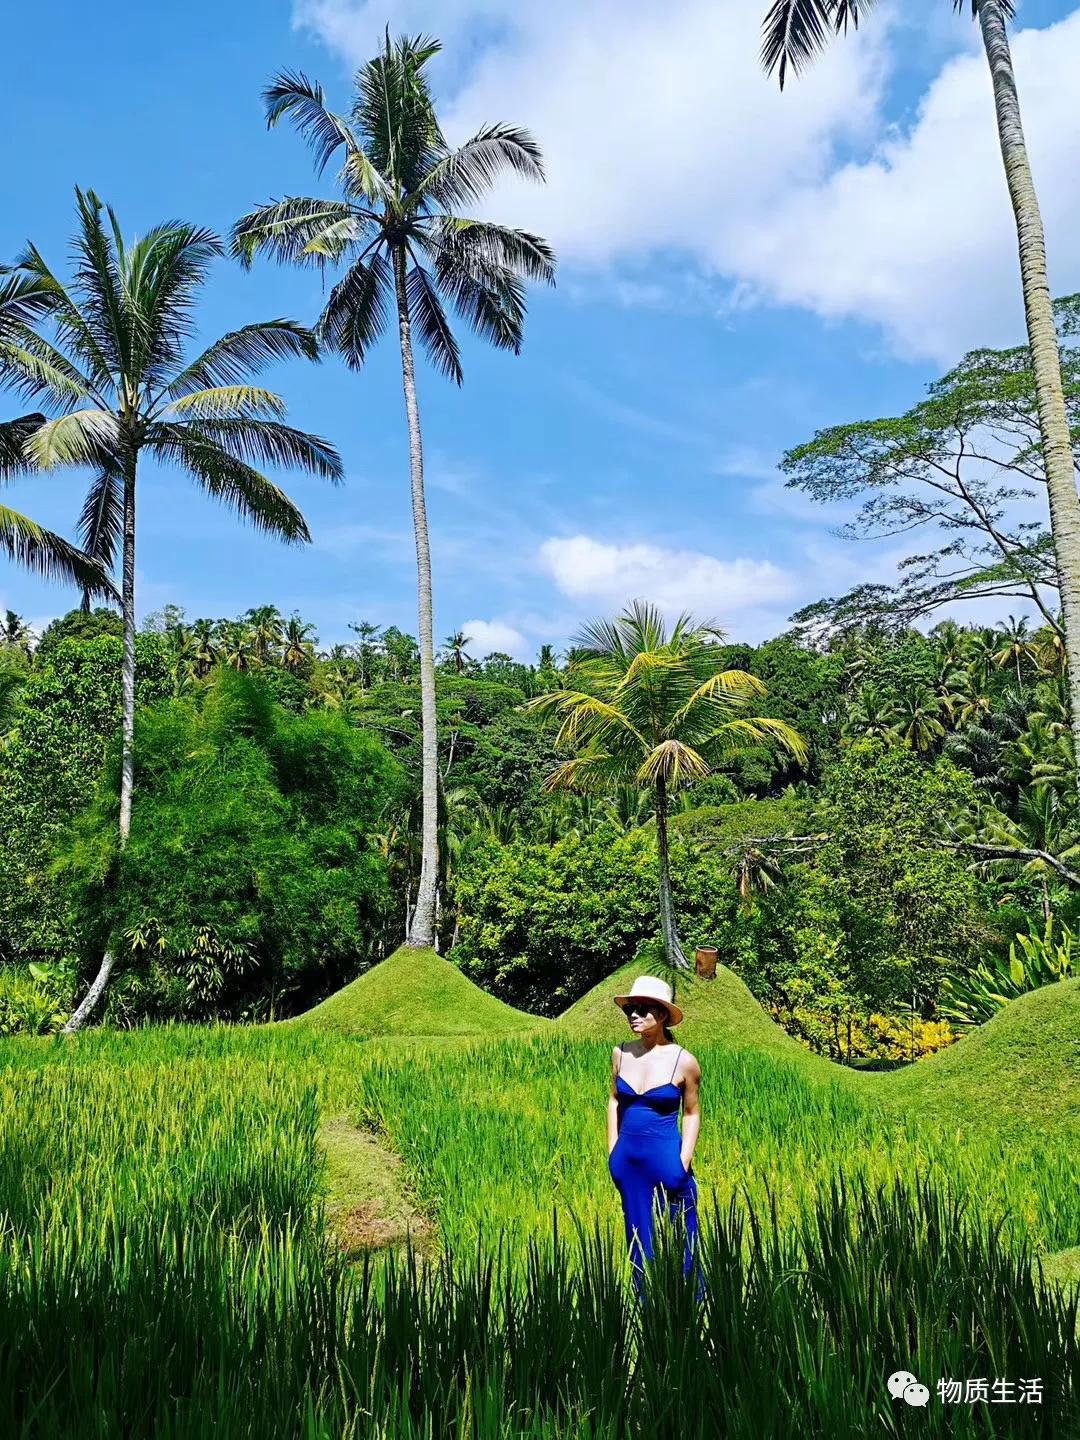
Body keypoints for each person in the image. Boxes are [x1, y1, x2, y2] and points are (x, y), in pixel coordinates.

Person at [607, 974, 703, 1301]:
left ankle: (690, 1311)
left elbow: (692, 1113)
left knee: (683, 1238)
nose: (634, 1015)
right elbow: (614, 1101)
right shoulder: (621, 1053)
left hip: (667, 1163)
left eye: (642, 1009)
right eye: (630, 1009)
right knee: (638, 1241)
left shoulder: (683, 1060)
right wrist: (612, 1150)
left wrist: (683, 1162)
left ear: (661, 1015)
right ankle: (647, 1314)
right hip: (628, 1164)